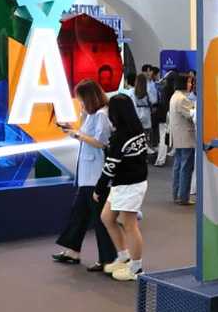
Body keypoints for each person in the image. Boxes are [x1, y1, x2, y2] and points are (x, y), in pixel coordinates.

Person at [52, 79, 117, 272]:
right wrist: (76, 127)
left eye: (80, 99)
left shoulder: (102, 115)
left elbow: (100, 142)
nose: (79, 102)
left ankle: (108, 259)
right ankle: (73, 250)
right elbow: (85, 135)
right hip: (87, 174)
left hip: (96, 174)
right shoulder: (91, 114)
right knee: (79, 213)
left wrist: (76, 134)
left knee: (100, 218)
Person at [97, 94, 150, 281]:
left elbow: (110, 167)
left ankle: (136, 268)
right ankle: (124, 256)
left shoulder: (120, 136)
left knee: (130, 225)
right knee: (107, 217)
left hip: (129, 185)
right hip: (126, 183)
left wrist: (98, 189)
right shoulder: (136, 129)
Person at [168, 72, 197, 204]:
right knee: (185, 168)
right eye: (189, 82)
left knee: (178, 166)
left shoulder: (175, 96)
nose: (191, 85)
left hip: (178, 137)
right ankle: (183, 196)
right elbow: (191, 115)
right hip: (186, 137)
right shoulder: (182, 99)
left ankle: (177, 194)